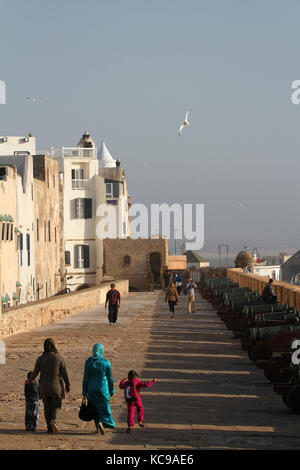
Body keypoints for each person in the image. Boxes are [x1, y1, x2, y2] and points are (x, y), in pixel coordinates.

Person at [29, 338, 70, 434]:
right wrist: (68, 384)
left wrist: (29, 381)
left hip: (43, 387)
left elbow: (35, 373)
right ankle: (53, 420)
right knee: (57, 405)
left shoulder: (40, 359)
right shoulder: (59, 358)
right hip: (56, 387)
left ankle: (49, 428)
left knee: (47, 406)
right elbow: (64, 373)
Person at [82, 343, 115, 435]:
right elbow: (110, 378)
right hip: (103, 388)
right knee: (104, 407)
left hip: (91, 388)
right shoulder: (106, 362)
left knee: (94, 407)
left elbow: (86, 377)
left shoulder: (88, 361)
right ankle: (102, 422)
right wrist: (112, 390)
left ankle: (97, 426)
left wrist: (84, 390)